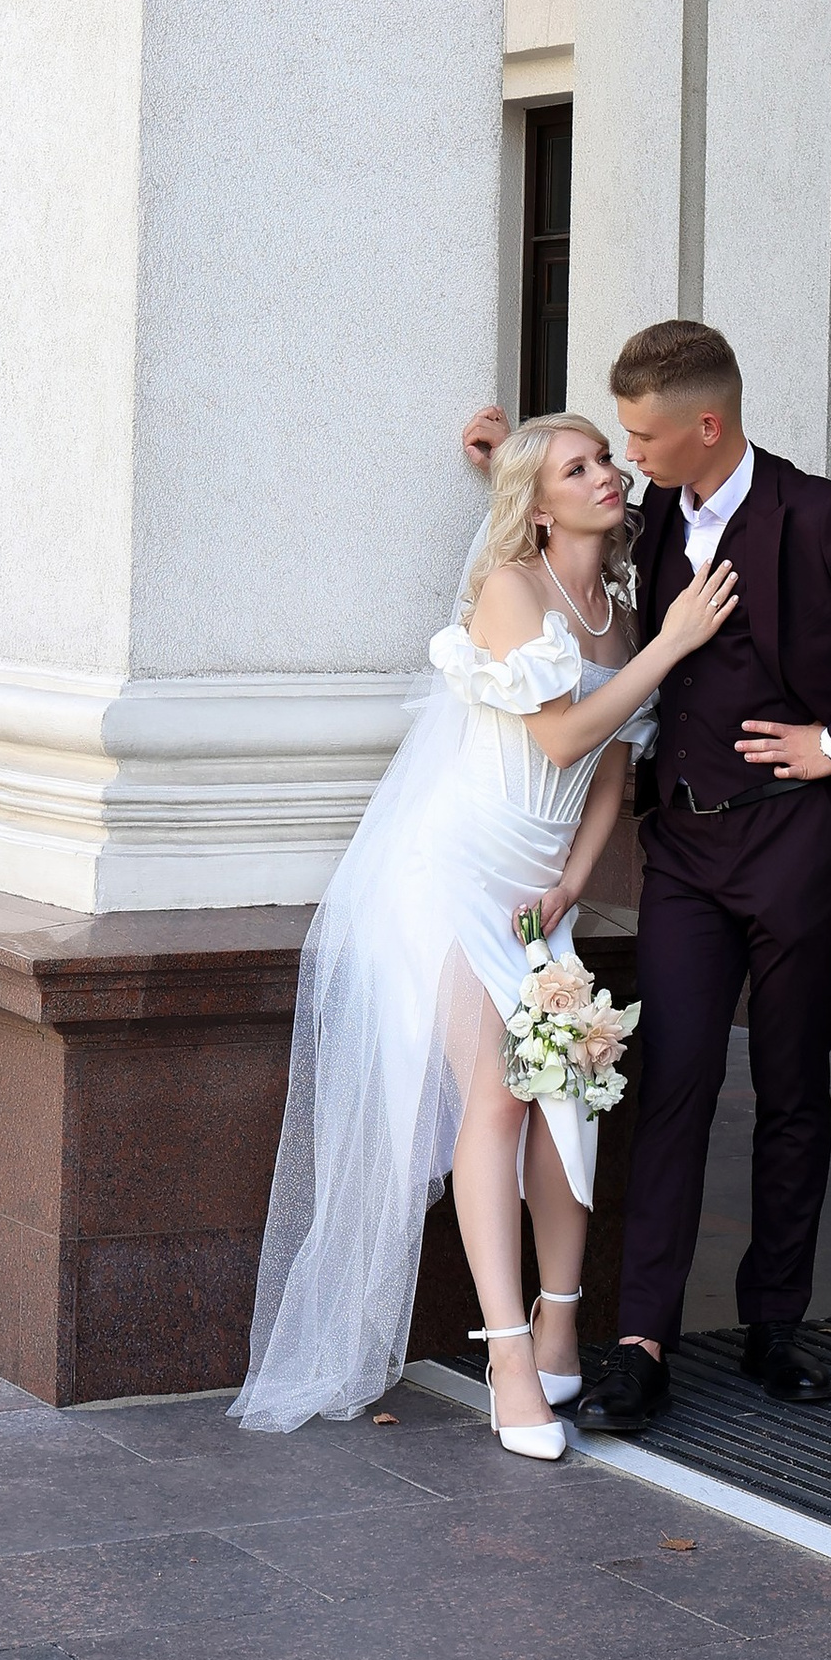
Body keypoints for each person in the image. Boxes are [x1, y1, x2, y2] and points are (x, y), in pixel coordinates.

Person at [470, 318, 831, 1436]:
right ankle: (642, 1340)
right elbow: (560, 529)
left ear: (708, 425)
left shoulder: (821, 515)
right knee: (675, 1082)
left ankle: (774, 1326)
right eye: (618, 441)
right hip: (684, 854)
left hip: (799, 841)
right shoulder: (647, 518)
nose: (629, 455)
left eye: (642, 435)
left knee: (791, 1086)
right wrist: (500, 452)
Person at [231, 414, 739, 1454]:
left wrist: (575, 881)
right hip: (449, 875)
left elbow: (610, 767)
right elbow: (558, 729)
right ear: (537, 503)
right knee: (506, 1097)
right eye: (579, 467)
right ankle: (508, 1357)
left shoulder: (620, 612)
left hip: (532, 890)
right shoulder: (516, 590)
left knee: (571, 1103)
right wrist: (679, 646)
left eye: (607, 459)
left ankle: (560, 1329)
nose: (606, 476)